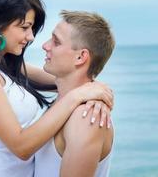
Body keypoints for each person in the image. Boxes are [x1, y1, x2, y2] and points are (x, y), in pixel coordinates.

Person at [0, 0, 113, 177]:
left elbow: (69, 79)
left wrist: (97, 95)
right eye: (24, 27)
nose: (31, 37)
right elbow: (21, 146)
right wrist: (79, 96)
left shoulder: (7, 67)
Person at [34, 10, 115, 177]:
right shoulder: (65, 101)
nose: (45, 45)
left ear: (80, 57)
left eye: (56, 42)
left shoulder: (86, 118)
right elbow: (6, 69)